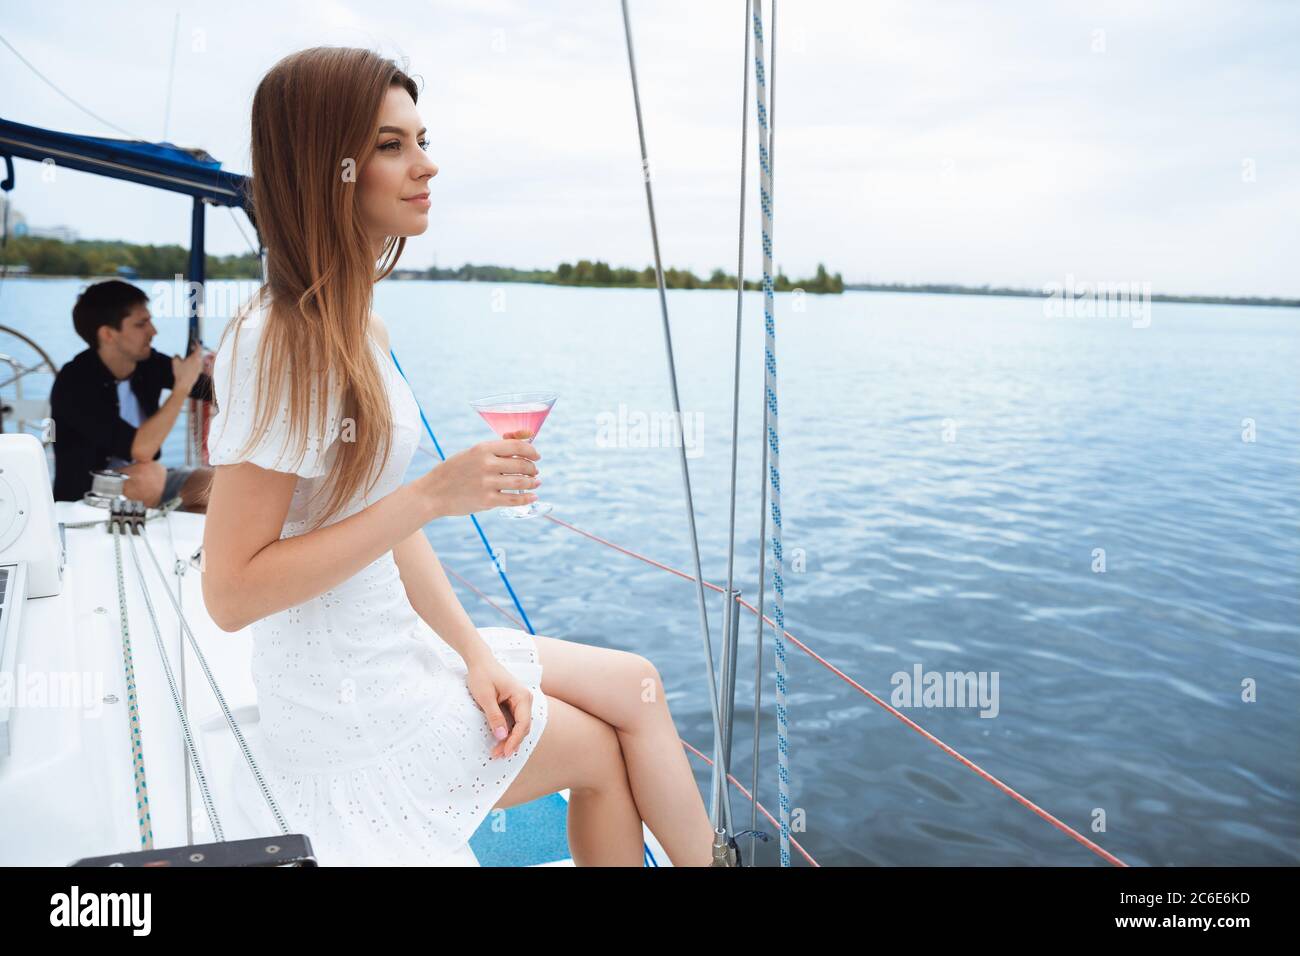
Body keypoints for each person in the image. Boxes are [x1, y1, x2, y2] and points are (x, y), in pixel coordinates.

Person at [201, 47, 715, 866]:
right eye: (390, 145)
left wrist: (473, 655)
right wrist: (431, 496)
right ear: (324, 166)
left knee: (637, 684)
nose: (427, 164)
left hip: (398, 649)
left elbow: (374, 513)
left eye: (422, 138)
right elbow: (229, 593)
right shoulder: (279, 343)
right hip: (350, 708)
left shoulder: (359, 328)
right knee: (604, 753)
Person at [49, 279, 214, 511]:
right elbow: (141, 450)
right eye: (141, 324)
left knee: (217, 486)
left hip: (148, 483)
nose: (153, 332)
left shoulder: (148, 364)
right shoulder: (75, 383)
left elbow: (210, 389)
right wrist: (181, 389)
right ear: (108, 334)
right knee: (149, 476)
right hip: (86, 495)